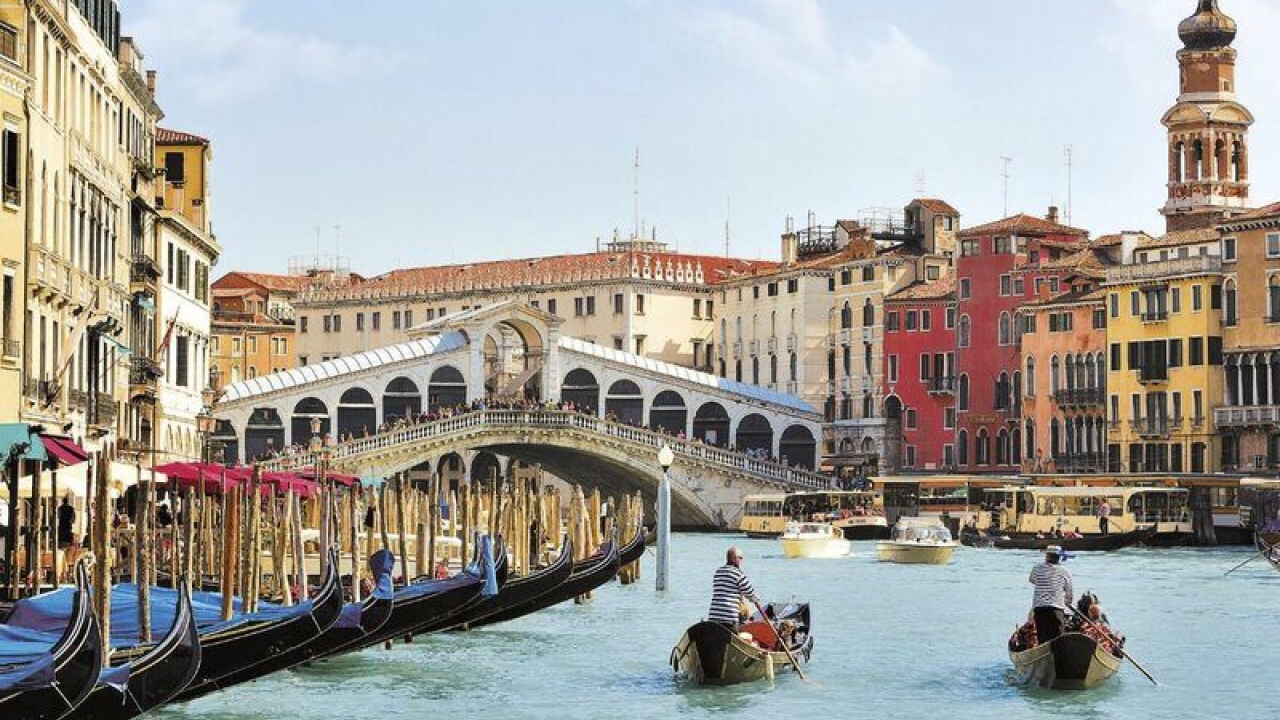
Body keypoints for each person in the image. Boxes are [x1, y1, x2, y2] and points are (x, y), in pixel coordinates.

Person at [1028, 545, 1074, 645]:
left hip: (1039, 608)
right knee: (1059, 639)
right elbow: (1069, 594)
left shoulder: (1036, 568)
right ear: (1059, 557)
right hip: (1056, 609)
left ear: (1047, 556)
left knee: (1043, 638)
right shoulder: (1065, 572)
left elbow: (1032, 580)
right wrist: (1067, 603)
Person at [708, 547, 761, 628]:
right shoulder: (738, 574)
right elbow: (750, 593)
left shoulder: (718, 572)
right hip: (729, 618)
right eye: (740, 558)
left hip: (714, 616)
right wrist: (756, 599)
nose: (741, 560)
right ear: (733, 558)